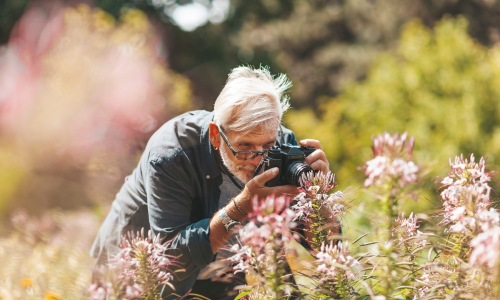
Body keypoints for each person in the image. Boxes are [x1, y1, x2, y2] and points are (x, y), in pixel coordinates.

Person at [90, 65, 332, 299]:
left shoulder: (282, 146)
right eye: (244, 146)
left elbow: (325, 247)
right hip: (138, 272)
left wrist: (317, 197)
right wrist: (243, 206)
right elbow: (173, 256)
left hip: (222, 270)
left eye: (267, 146)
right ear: (216, 135)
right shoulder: (173, 153)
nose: (257, 159)